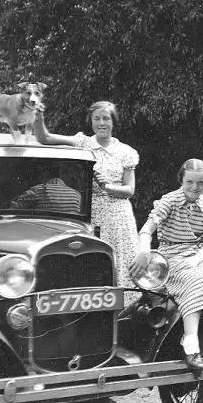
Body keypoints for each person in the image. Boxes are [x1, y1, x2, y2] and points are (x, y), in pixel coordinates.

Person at [129, 159, 203, 373]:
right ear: (181, 180)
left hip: (196, 256)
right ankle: (191, 345)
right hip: (170, 258)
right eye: (190, 182)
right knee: (192, 280)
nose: (195, 187)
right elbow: (147, 230)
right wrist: (144, 252)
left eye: (200, 183)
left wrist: (195, 260)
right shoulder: (170, 200)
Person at [34, 101, 139, 290]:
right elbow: (44, 138)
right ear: (90, 122)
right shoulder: (84, 143)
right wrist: (38, 115)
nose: (101, 123)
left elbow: (129, 190)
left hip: (119, 217)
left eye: (106, 118)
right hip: (91, 213)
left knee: (122, 263)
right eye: (96, 118)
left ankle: (124, 313)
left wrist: (107, 186)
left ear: (113, 122)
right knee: (92, 260)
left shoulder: (125, 151)